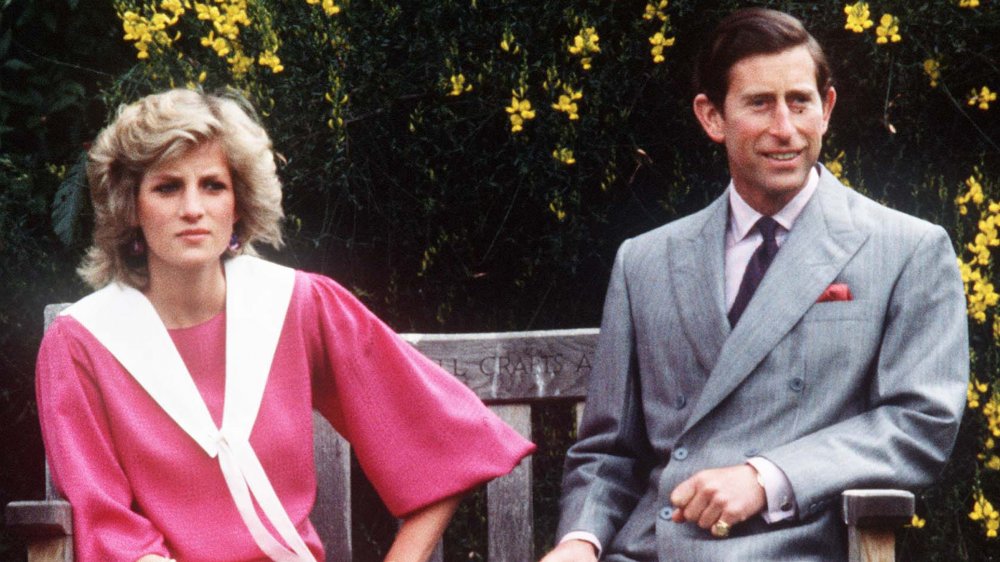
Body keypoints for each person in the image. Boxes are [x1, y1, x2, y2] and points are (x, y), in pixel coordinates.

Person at [35, 88, 535, 562]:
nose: (193, 209)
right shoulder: (84, 342)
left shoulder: (296, 304)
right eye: (167, 187)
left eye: (213, 185)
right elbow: (109, 529)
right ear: (131, 209)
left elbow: (445, 440)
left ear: (238, 204)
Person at [540, 8, 967, 562]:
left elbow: (919, 423)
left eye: (799, 101)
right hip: (649, 550)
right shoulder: (645, 261)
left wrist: (767, 477)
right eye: (760, 104)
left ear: (827, 109)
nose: (784, 129)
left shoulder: (906, 249)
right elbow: (609, 452)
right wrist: (580, 539)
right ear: (712, 117)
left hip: (796, 548)